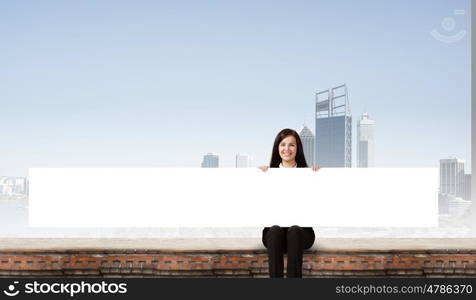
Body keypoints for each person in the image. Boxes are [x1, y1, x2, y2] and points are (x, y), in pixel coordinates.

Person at [259, 128, 320, 278]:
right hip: (275, 236)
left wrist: (317, 177)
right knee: (274, 230)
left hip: (300, 234)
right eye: (283, 144)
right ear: (277, 148)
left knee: (294, 230)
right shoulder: (268, 174)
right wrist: (261, 177)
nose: (287, 149)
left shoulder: (308, 174)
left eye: (291, 145)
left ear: (298, 148)